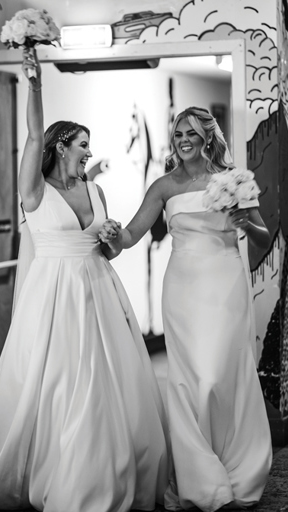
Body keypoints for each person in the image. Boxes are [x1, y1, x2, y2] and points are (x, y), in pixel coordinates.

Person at [0, 48, 170, 512]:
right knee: (55, 381)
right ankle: (51, 468)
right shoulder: (34, 192)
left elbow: (109, 247)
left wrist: (111, 236)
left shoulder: (97, 189)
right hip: (52, 295)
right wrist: (34, 82)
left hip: (100, 290)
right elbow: (32, 133)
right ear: (60, 147)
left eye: (89, 144)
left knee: (107, 382)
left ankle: (103, 470)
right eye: (82, 144)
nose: (90, 151)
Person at [113, 106, 272, 511]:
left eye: (192, 133)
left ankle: (238, 467)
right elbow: (131, 234)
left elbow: (262, 236)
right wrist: (108, 235)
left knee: (220, 375)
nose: (183, 139)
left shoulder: (233, 180)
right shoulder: (164, 186)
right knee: (190, 381)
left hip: (225, 285)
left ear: (207, 139)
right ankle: (200, 477)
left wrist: (242, 220)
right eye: (179, 132)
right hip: (182, 290)